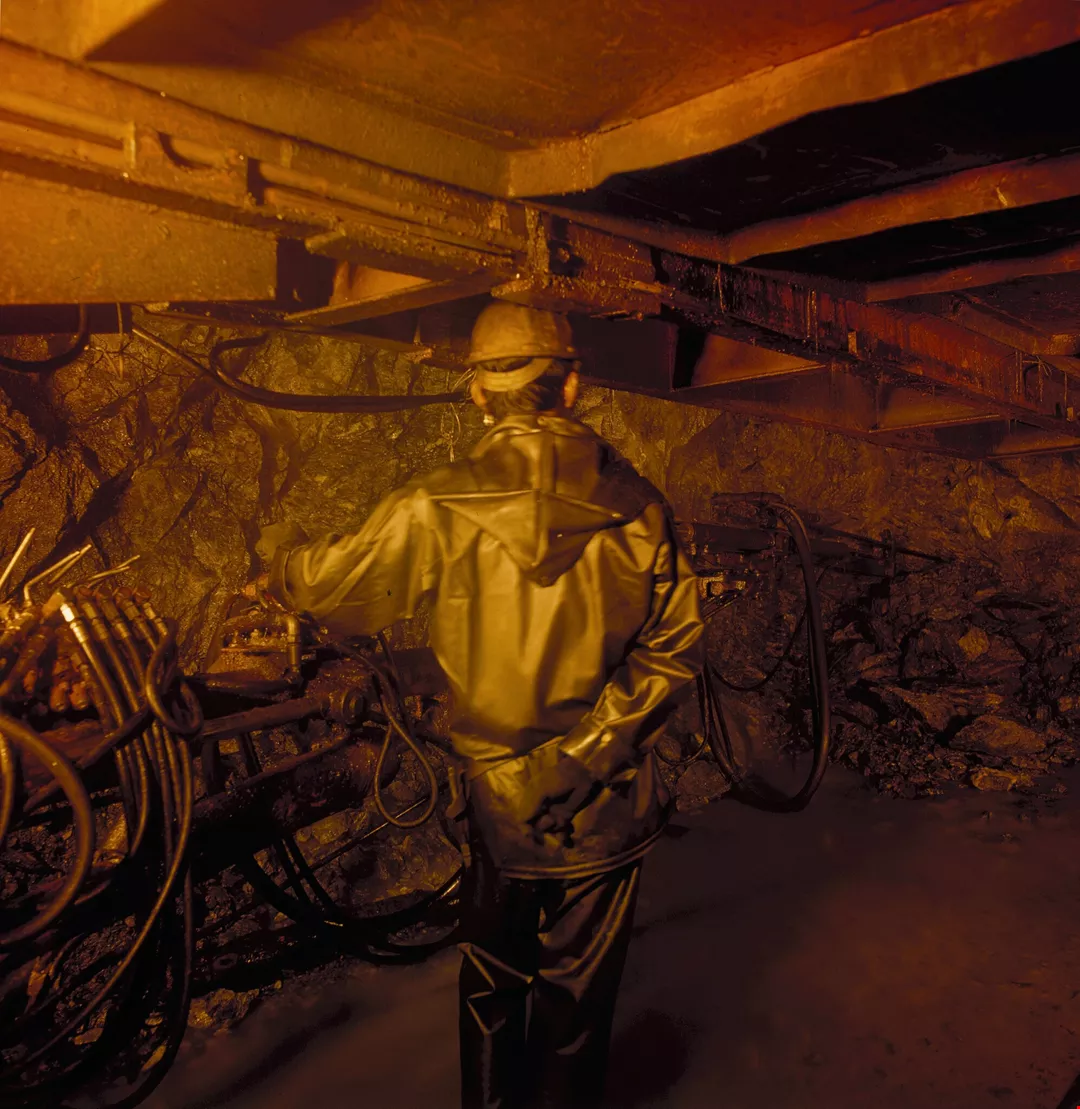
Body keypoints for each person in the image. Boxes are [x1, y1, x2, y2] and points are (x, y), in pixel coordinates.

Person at [255, 300, 704, 1109]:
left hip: (501, 800)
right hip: (605, 802)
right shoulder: (642, 506)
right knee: (577, 999)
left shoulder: (438, 504)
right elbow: (672, 648)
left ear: (477, 391)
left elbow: (335, 588)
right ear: (572, 386)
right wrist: (588, 756)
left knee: (494, 982)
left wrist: (282, 562)